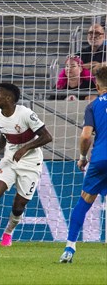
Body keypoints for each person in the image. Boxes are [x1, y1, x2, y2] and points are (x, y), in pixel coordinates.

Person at [0, 83, 53, 247]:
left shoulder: (25, 113)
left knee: (19, 205)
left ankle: (8, 232)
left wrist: (25, 148)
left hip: (31, 162)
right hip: (10, 158)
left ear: (9, 98)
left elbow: (47, 137)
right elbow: (5, 136)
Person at [60, 66, 107, 263]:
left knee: (84, 201)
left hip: (99, 160)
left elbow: (86, 135)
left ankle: (69, 248)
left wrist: (82, 157)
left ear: (97, 85)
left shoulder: (93, 105)